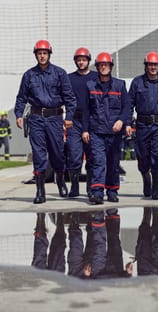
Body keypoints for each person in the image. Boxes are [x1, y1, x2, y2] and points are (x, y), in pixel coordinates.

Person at [14, 39, 76, 204]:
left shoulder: (59, 73)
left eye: (44, 53)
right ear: (36, 55)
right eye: (39, 53)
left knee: (57, 152)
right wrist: (18, 114)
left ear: (49, 54)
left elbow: (70, 98)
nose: (42, 56)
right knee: (39, 154)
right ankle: (40, 190)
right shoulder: (29, 75)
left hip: (55, 118)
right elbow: (21, 97)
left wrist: (69, 117)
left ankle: (61, 180)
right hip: (36, 119)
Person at [82, 52, 130, 205]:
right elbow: (86, 110)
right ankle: (97, 192)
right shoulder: (90, 86)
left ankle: (112, 190)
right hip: (97, 132)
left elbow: (127, 107)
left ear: (110, 66)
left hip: (115, 133)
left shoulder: (119, 85)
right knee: (98, 161)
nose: (104, 67)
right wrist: (85, 130)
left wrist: (122, 121)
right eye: (101, 65)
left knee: (113, 163)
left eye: (106, 65)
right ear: (97, 67)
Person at [128, 52, 158, 199]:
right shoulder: (137, 82)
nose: (153, 67)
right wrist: (128, 123)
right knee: (143, 157)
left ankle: (156, 187)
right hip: (142, 124)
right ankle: (146, 178)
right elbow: (129, 104)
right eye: (150, 65)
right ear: (146, 66)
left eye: (155, 65)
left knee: (157, 156)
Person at [66, 47, 98, 198]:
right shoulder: (69, 78)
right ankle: (74, 186)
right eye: (78, 60)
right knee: (74, 155)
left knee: (91, 154)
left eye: (84, 59)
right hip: (74, 121)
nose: (81, 62)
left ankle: (91, 187)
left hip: (92, 121)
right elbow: (63, 97)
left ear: (89, 61)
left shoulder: (96, 77)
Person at [134, 207, 158, 275]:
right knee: (157, 240)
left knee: (144, 238)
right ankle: (155, 212)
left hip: (147, 271)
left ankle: (148, 212)